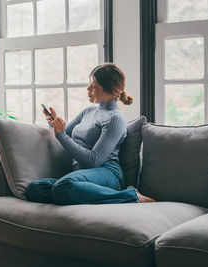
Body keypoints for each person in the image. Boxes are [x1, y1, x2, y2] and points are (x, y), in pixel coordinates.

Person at [25, 63, 155, 205]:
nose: (88, 89)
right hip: (79, 176)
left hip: (107, 173)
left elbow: (93, 160)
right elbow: (65, 134)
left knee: (63, 187)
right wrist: (54, 124)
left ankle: (130, 196)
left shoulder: (115, 118)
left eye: (94, 86)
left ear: (111, 90)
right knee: (34, 189)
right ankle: (75, 194)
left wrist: (61, 135)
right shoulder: (88, 112)